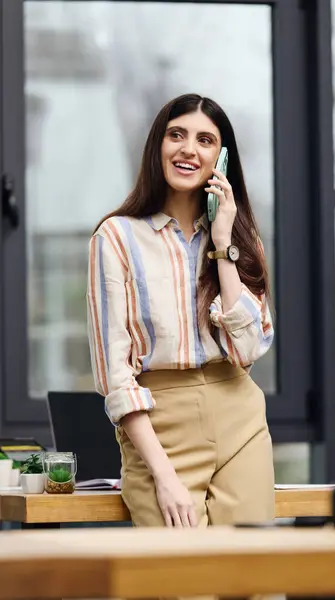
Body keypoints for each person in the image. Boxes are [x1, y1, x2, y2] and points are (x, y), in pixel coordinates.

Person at [87, 93, 275, 529]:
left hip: (240, 417)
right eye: (177, 135)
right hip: (160, 426)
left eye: (205, 140)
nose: (189, 149)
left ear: (221, 160)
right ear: (158, 146)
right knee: (185, 585)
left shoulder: (238, 241)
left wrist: (225, 245)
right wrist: (163, 475)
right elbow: (116, 374)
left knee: (255, 583)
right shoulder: (116, 238)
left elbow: (248, 347)